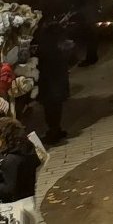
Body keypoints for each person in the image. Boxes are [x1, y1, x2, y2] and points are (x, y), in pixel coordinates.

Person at [34, 16, 71, 144]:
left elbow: (43, 54)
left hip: (49, 78)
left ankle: (53, 130)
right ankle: (56, 129)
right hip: (57, 76)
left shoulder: (46, 39)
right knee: (56, 104)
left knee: (50, 105)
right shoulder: (57, 38)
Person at [0, 118, 38, 203]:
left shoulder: (10, 160)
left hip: (16, 201)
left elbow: (8, 190)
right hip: (29, 196)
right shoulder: (28, 149)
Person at [75, 0, 102, 66]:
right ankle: (92, 57)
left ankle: (91, 58)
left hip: (88, 13)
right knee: (91, 36)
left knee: (91, 36)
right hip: (89, 12)